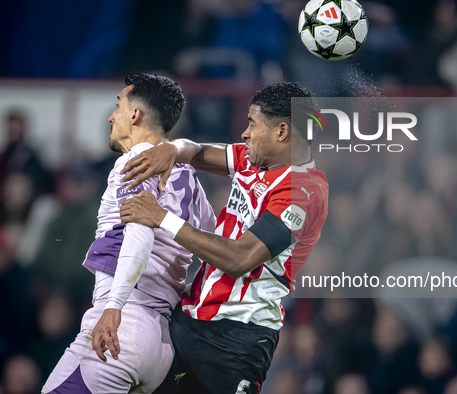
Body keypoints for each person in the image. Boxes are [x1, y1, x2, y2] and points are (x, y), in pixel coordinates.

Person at [119, 82, 329, 393]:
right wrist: (173, 150)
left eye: (252, 124)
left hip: (237, 339)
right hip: (188, 319)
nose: (244, 133)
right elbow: (201, 152)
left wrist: (162, 218)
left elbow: (239, 259)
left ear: (282, 132)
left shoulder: (304, 191)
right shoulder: (254, 160)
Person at [41, 73, 216, 393]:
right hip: (160, 344)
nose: (111, 116)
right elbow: (211, 246)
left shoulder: (137, 159)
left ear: (135, 114)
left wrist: (114, 307)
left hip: (120, 326)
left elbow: (139, 232)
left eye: (118, 105)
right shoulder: (191, 181)